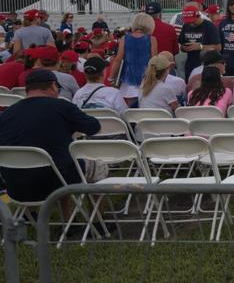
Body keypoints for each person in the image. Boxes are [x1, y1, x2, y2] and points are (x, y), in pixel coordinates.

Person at [0, 69, 101, 202]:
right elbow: (94, 127)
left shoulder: (7, 114)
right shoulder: (62, 106)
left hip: (16, 186)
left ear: (27, 89)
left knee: (59, 161)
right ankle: (96, 220)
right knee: (98, 166)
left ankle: (38, 215)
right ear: (53, 86)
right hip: (58, 183)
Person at [109, 13, 157, 106]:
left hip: (127, 80)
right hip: (145, 80)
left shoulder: (124, 38)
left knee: (129, 112)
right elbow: (154, 62)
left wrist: (111, 77)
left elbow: (118, 60)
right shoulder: (152, 39)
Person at [178, 5, 220, 79]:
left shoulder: (209, 26)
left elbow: (218, 47)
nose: (191, 24)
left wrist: (200, 47)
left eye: (193, 21)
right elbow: (181, 46)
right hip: (190, 64)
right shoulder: (186, 26)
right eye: (188, 22)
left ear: (198, 16)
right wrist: (184, 48)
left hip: (205, 65)